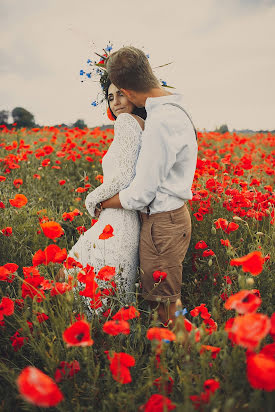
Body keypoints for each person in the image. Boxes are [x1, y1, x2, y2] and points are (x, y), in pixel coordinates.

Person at [99, 46, 198, 326]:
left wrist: (102, 202)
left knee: (164, 305)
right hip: (172, 219)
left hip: (161, 225)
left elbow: (141, 193)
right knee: (166, 300)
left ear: (128, 93)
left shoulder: (161, 123)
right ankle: (179, 351)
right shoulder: (176, 107)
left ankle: (189, 357)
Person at [60, 77, 146, 313]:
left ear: (134, 95)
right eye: (110, 97)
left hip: (117, 219)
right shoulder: (143, 123)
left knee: (75, 275)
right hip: (127, 219)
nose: (115, 102)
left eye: (121, 94)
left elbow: (125, 176)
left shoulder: (126, 122)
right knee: (109, 288)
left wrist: (92, 198)